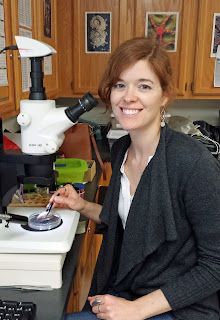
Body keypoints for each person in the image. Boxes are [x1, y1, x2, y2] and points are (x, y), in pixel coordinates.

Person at [50, 37, 220, 320]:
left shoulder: (191, 163)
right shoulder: (120, 151)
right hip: (131, 289)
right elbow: (132, 220)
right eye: (120, 84)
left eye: (144, 85)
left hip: (180, 306)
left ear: (164, 95)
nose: (128, 96)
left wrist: (136, 309)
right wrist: (81, 206)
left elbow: (215, 264)